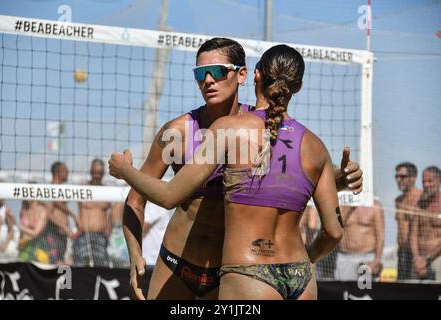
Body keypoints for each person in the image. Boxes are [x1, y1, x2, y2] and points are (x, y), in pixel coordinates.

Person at [119, 38, 363, 300]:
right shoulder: (177, 132)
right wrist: (135, 253)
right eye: (201, 73)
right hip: (178, 264)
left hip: (232, 271)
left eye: (219, 71)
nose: (209, 80)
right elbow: (135, 199)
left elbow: (286, 178)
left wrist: (340, 179)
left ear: (244, 74)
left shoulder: (262, 127)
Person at [72, 159, 111, 267]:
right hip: (83, 234)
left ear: (103, 173)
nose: (97, 175)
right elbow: (60, 201)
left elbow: (114, 212)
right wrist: (74, 217)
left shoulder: (108, 191)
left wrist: (110, 227)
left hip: (101, 236)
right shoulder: (82, 189)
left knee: (101, 267)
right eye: (95, 172)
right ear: (91, 171)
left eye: (100, 173)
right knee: (79, 267)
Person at [334, 200, 384, 281]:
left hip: (367, 258)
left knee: (366, 292)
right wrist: (349, 207)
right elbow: (335, 227)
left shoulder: (375, 206)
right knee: (344, 291)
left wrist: (377, 260)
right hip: (345, 257)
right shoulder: (341, 206)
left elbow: (380, 237)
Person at [410, 166, 441, 281]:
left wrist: (427, 259)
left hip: (438, 260)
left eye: (430, 181)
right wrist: (416, 257)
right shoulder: (420, 205)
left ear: (439, 182)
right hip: (419, 261)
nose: (426, 184)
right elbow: (413, 234)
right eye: (424, 181)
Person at [394, 162, 421, 280]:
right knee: (402, 289)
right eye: (397, 176)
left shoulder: (422, 197)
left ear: (413, 178)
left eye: (402, 176)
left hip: (418, 253)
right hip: (402, 252)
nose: (399, 180)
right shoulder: (398, 200)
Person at [44, 161, 75, 264]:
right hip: (54, 232)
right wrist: (65, 227)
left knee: (62, 263)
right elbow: (49, 215)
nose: (68, 173)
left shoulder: (60, 189)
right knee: (55, 265)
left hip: (62, 234)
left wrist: (72, 216)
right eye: (65, 171)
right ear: (58, 173)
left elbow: (59, 206)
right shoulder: (51, 189)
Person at [18, 200, 50, 264]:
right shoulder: (23, 209)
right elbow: (21, 234)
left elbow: (36, 233)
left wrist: (20, 227)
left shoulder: (43, 210)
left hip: (39, 249)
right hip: (23, 248)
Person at [107, 202, 130, 268]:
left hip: (121, 230)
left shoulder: (123, 198)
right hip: (115, 231)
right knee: (113, 257)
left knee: (124, 261)